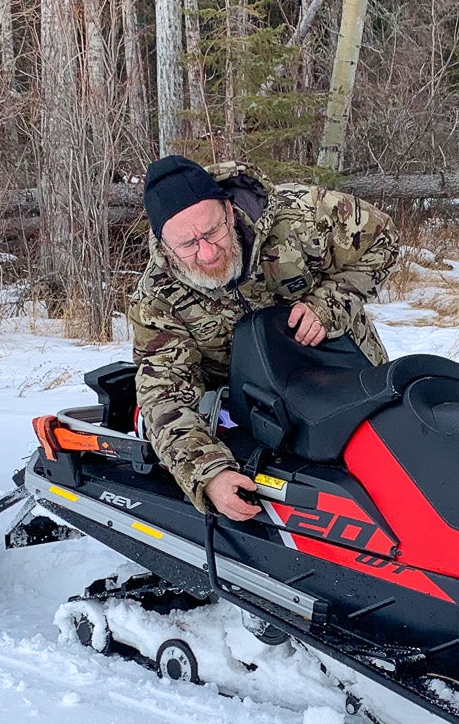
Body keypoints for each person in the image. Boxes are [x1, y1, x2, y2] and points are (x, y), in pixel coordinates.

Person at [128, 154, 397, 521]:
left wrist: (328, 304)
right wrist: (208, 473)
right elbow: (163, 394)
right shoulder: (157, 298)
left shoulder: (301, 216)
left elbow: (382, 240)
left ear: (228, 209)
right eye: (188, 245)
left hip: (351, 376)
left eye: (212, 232)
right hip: (259, 415)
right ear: (164, 245)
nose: (206, 253)